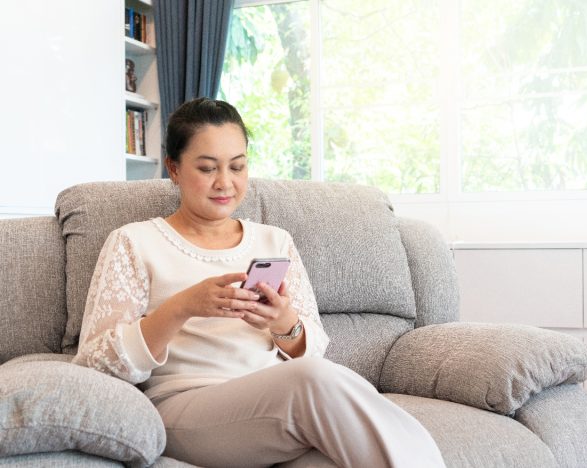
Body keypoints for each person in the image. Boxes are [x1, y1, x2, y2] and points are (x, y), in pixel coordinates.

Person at [73, 97, 446, 468]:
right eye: (207, 168)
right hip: (186, 409)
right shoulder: (134, 242)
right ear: (174, 168)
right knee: (312, 380)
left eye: (238, 167)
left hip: (278, 408)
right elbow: (97, 362)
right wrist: (182, 307)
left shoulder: (274, 241)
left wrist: (282, 322)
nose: (225, 183)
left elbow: (312, 348)